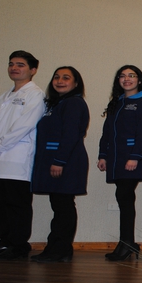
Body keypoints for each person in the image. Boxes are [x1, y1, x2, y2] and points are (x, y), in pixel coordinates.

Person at [0, 50, 45, 260]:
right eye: (11, 64)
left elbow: (24, 126)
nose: (14, 68)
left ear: (33, 70)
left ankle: (18, 245)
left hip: (17, 158)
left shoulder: (35, 95)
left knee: (18, 205)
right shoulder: (5, 96)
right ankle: (4, 242)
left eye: (20, 65)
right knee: (0, 204)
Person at [30, 67, 90, 263]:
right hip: (57, 160)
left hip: (67, 161)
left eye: (66, 78)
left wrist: (59, 161)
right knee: (59, 206)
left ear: (76, 83)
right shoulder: (56, 104)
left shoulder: (73, 103)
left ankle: (60, 250)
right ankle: (56, 248)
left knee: (63, 206)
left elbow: (71, 134)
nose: (60, 80)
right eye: (56, 77)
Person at [97, 65, 142, 261]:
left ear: (139, 80)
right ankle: (127, 242)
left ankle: (127, 242)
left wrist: (135, 156)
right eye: (122, 76)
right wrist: (102, 154)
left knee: (125, 196)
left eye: (131, 75)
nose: (126, 79)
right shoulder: (117, 101)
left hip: (131, 157)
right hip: (115, 157)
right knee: (123, 197)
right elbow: (107, 131)